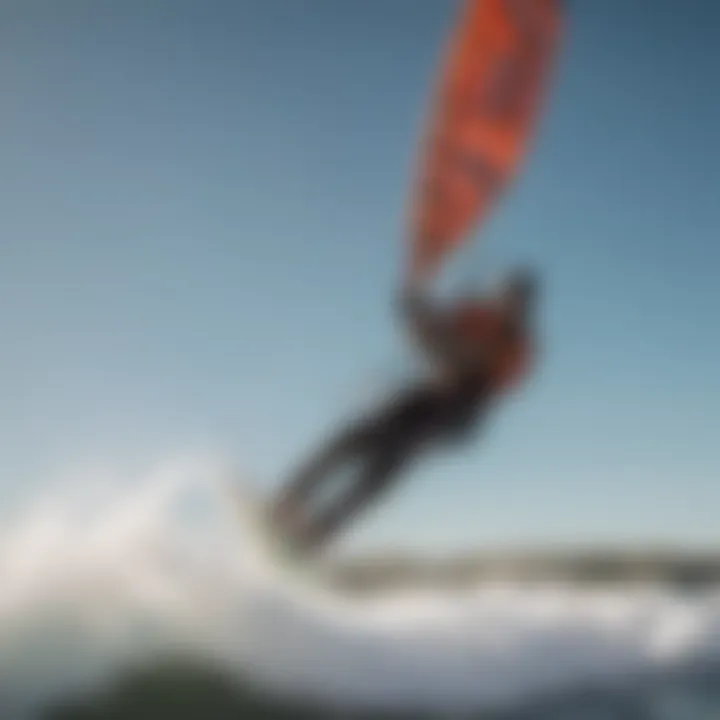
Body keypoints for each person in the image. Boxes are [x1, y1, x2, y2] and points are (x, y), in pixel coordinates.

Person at [268, 269, 539, 554]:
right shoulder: (474, 315)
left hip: (458, 412)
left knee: (387, 464)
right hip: (427, 394)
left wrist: (458, 350)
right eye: (504, 296)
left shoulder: (519, 346)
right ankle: (289, 500)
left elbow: (496, 379)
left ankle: (316, 534)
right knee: (355, 437)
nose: (507, 304)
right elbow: (428, 338)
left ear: (524, 306)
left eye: (516, 301)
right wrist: (414, 310)